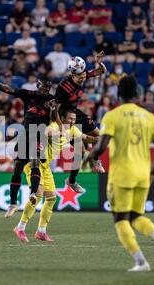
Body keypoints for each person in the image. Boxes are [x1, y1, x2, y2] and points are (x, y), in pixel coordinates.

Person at [84, 75, 154, 272]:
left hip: (122, 175)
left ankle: (141, 262)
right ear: (138, 94)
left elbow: (101, 146)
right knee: (136, 216)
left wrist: (88, 160)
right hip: (143, 175)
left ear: (119, 94)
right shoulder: (150, 117)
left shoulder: (113, 116)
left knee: (121, 219)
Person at [14, 107, 98, 242]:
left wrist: (99, 139)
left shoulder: (73, 129)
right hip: (34, 164)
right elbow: (46, 131)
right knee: (39, 194)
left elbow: (86, 138)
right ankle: (20, 227)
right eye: (70, 118)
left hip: (45, 167)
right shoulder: (55, 126)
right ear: (63, 118)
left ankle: (41, 231)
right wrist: (60, 134)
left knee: (51, 198)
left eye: (74, 119)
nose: (72, 121)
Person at [0, 74, 54, 218]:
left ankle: (33, 193)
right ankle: (13, 203)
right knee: (17, 167)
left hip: (40, 135)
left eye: (48, 87)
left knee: (34, 162)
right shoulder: (28, 94)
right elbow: (9, 90)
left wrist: (54, 109)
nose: (46, 89)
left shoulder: (52, 101)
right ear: (38, 86)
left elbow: (55, 119)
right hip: (25, 134)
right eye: (43, 86)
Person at [54, 53, 107, 193]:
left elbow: (101, 71)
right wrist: (60, 126)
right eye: (80, 78)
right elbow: (55, 108)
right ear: (72, 75)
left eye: (84, 76)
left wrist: (99, 62)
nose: (83, 80)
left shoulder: (82, 74)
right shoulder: (63, 88)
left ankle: (95, 159)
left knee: (99, 135)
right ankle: (71, 181)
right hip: (64, 116)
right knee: (81, 149)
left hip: (76, 113)